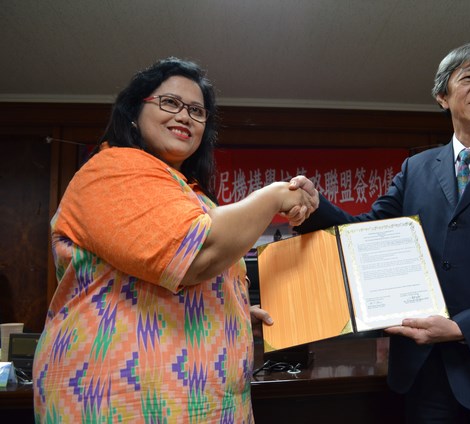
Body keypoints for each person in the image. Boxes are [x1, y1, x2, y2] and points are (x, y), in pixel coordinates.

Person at [32, 57, 318, 423]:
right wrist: (275, 196)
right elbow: (197, 255)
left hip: (205, 403)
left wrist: (228, 312)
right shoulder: (111, 169)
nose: (184, 116)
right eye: (170, 103)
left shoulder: (188, 191)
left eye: (197, 111)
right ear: (134, 111)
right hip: (119, 401)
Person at [295, 42, 470, 423]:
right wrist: (315, 206)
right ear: (442, 96)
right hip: (423, 374)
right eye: (468, 78)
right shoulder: (416, 168)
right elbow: (367, 233)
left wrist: (462, 327)